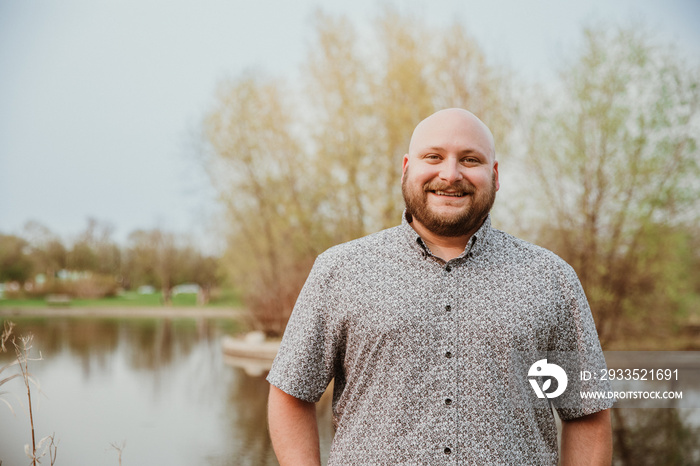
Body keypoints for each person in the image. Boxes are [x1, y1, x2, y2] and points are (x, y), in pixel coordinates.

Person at [267, 108, 614, 465]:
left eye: (470, 159)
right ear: (406, 168)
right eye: (433, 156)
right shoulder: (339, 270)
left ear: (494, 175)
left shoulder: (551, 279)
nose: (450, 174)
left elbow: (586, 413)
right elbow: (291, 394)